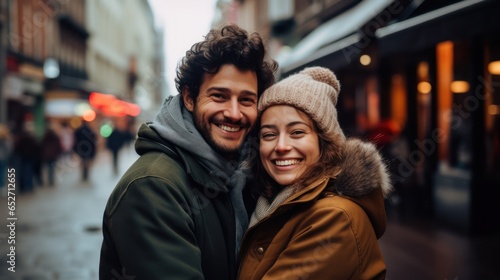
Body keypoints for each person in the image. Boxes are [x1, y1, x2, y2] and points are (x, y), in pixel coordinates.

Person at [99, 24, 278, 279]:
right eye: (219, 96)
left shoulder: (244, 174)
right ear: (189, 98)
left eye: (247, 100)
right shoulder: (153, 187)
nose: (235, 113)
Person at [237, 67, 392, 279]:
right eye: (269, 134)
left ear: (323, 141)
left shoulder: (335, 217)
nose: (281, 146)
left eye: (297, 132)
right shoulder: (272, 202)